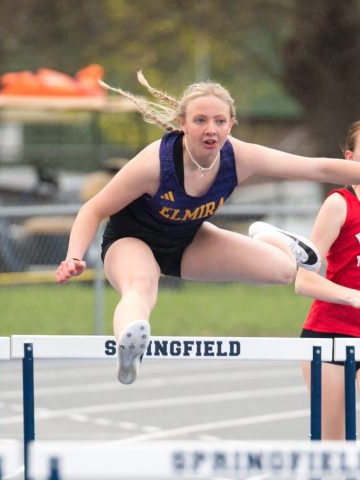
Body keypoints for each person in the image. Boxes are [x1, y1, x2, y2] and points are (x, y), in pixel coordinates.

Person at [55, 70, 360, 385]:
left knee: (283, 271)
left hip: (188, 242)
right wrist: (74, 256)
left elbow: (317, 167)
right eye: (200, 120)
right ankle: (130, 349)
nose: (210, 129)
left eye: (219, 121)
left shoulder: (240, 157)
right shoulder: (155, 163)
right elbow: (93, 209)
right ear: (183, 124)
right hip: (132, 241)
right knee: (141, 288)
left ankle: (268, 237)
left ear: (231, 124)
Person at [294, 120, 360, 440]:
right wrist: (352, 296)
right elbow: (303, 281)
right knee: (335, 449)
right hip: (331, 335)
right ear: (349, 159)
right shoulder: (340, 205)